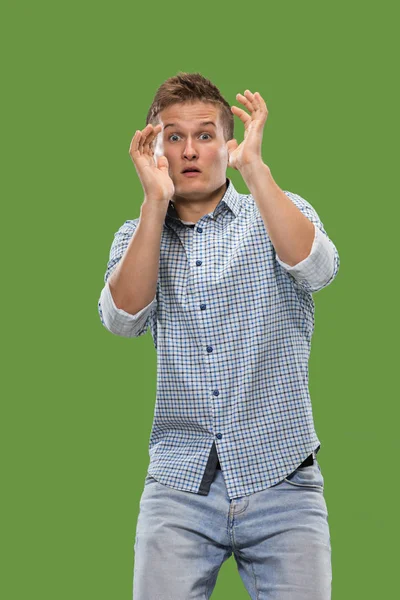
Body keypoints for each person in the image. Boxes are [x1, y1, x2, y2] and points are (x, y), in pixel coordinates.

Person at [98, 72, 340, 600]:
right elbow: (122, 319)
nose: (189, 150)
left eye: (205, 135)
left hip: (284, 481)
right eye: (173, 136)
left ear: (228, 145)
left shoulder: (278, 210)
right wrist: (153, 204)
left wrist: (256, 171)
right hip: (179, 486)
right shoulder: (137, 232)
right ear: (152, 149)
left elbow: (319, 268)